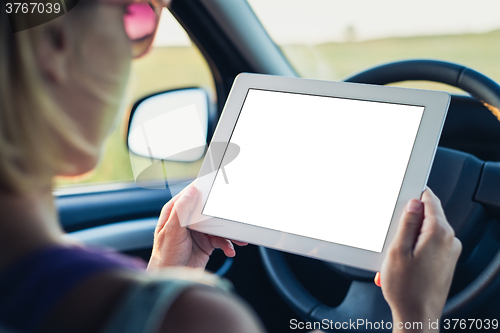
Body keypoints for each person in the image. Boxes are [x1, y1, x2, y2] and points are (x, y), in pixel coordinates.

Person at [0, 1, 461, 332]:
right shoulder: (199, 320)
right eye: (135, 14)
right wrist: (417, 316)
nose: (136, 48)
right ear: (54, 45)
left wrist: (162, 278)